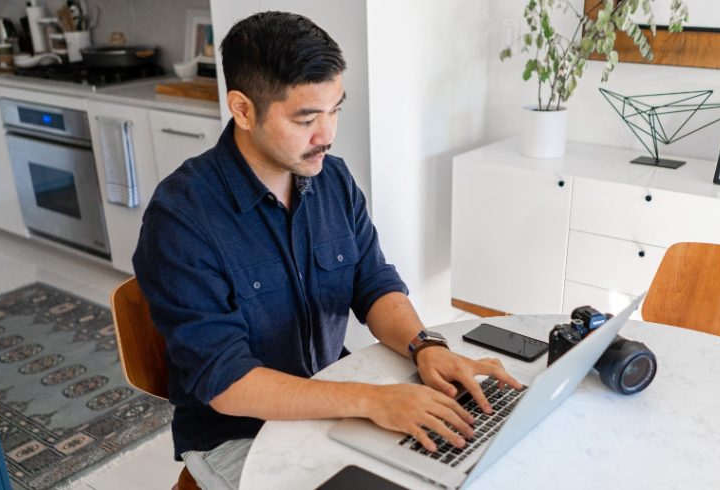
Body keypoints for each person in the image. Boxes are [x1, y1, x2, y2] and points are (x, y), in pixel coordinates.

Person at [132, 11, 522, 490]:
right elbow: (227, 382)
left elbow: (373, 283)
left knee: (470, 464)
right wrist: (372, 402)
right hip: (237, 434)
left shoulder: (332, 179)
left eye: (335, 109)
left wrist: (425, 345)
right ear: (243, 109)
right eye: (306, 118)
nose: (328, 134)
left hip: (335, 396)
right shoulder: (181, 218)